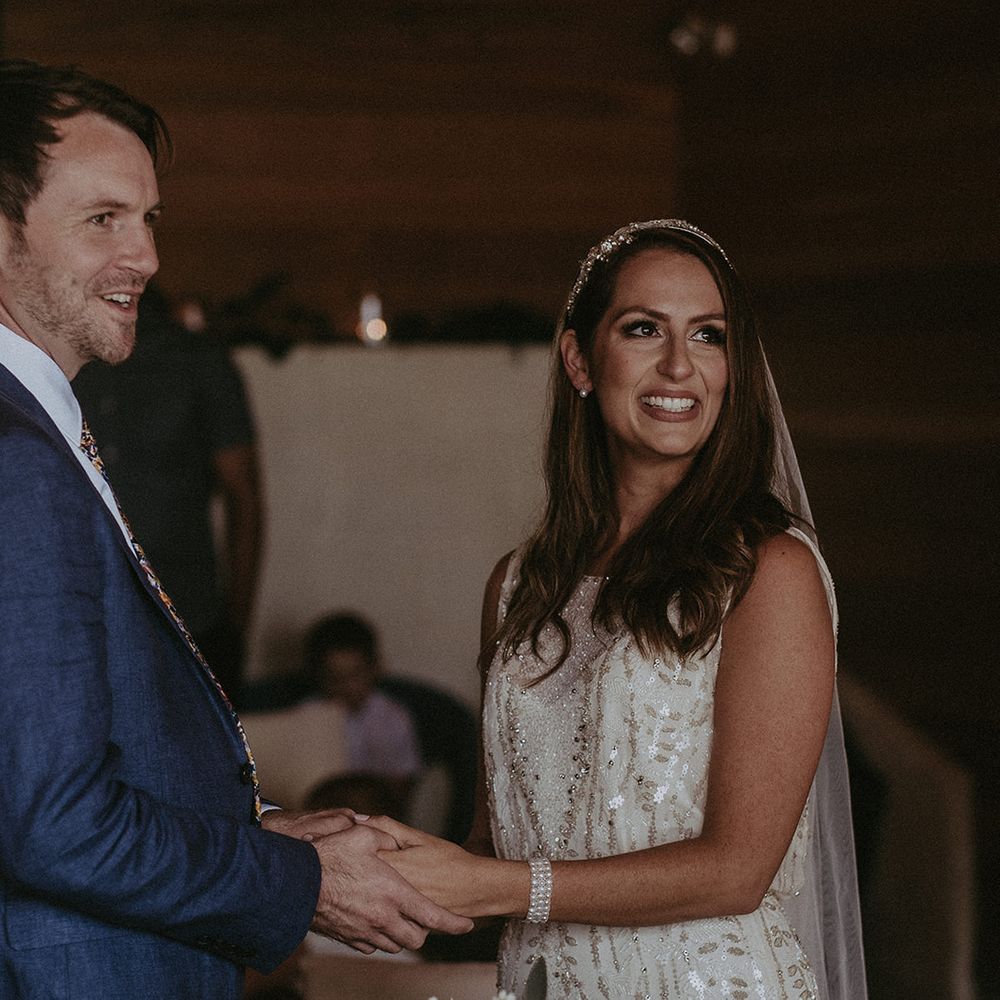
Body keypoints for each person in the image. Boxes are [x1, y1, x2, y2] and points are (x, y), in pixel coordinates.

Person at [0, 58, 469, 998]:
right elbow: (50, 823)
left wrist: (258, 835)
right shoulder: (18, 461)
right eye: (103, 219)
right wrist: (301, 882)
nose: (147, 257)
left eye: (149, 218)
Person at [365, 220, 867, 998]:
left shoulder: (769, 572)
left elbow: (737, 870)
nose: (679, 365)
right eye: (643, 329)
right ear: (579, 359)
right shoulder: (518, 585)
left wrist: (499, 887)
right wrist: (359, 865)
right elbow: (494, 845)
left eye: (708, 335)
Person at [73, 281, 262, 696]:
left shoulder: (197, 361)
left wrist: (234, 629)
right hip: (76, 616)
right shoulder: (52, 357)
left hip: (187, 618)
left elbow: (244, 498)